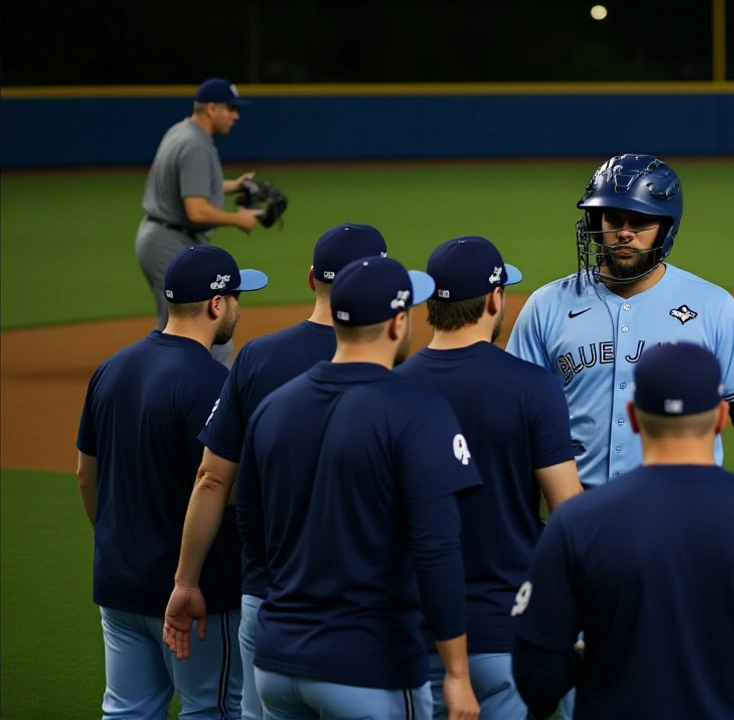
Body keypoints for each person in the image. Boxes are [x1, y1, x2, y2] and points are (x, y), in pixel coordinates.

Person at [509, 342, 734, 720]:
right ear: (720, 416)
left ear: (633, 417)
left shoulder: (578, 522)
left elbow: (536, 676)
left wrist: (587, 657)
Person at [235, 256, 482, 720]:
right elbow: (437, 548)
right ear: (398, 323)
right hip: (369, 667)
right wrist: (456, 672)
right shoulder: (418, 412)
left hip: (276, 666)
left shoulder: (273, 408)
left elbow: (249, 520)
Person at [161, 223, 390, 720]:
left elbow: (212, 479)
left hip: (266, 599)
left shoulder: (257, 358)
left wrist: (185, 581)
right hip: (359, 606)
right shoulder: (388, 359)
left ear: (312, 279)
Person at [506, 153, 734, 493]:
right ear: (595, 220)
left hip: (681, 512)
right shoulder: (545, 307)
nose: (624, 233)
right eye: (613, 218)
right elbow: (514, 419)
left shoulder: (714, 307)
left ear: (665, 228)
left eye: (639, 221)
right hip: (575, 512)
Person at [394, 235, 583, 719]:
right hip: (508, 631)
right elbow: (570, 513)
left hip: (415, 636)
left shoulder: (392, 389)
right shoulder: (532, 386)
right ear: (495, 299)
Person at [76, 244, 268, 719]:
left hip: (119, 585)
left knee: (126, 711)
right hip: (196, 593)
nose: (239, 308)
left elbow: (85, 474)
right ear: (216, 304)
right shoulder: (212, 383)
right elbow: (219, 485)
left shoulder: (110, 369)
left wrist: (118, 546)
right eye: (237, 297)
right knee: (212, 708)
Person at [135, 77, 262, 368]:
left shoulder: (182, 132)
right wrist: (238, 219)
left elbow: (191, 184)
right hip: (170, 240)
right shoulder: (195, 146)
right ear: (212, 108)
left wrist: (234, 186)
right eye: (231, 108)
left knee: (173, 327)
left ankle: (147, 376)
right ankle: (214, 402)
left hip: (159, 235)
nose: (236, 115)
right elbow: (197, 211)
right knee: (206, 329)